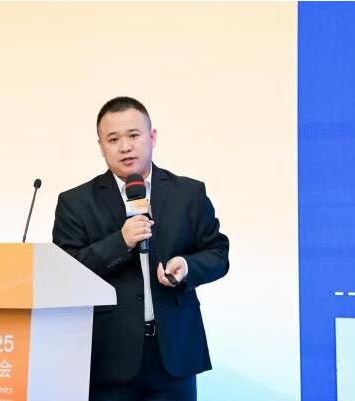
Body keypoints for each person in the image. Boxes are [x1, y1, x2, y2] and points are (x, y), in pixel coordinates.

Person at [52, 96, 229, 401]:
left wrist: (187, 267)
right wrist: (119, 242)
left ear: (152, 137)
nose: (125, 147)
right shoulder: (76, 202)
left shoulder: (188, 193)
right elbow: (65, 272)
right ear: (101, 146)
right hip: (108, 358)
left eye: (133, 135)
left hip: (173, 355)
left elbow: (217, 253)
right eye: (113, 139)